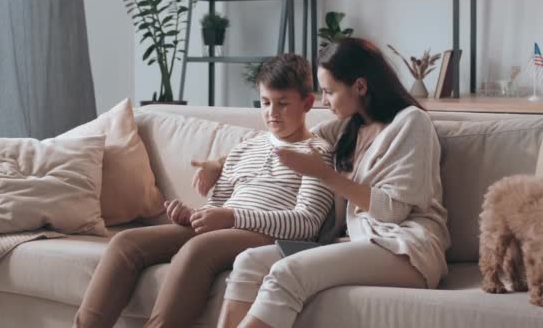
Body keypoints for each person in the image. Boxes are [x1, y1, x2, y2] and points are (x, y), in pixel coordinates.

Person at [193, 38, 451, 328]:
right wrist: (219, 162)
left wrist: (325, 174)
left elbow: (394, 211)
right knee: (249, 261)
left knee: (288, 272)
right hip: (357, 241)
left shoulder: (411, 123)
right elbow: (284, 143)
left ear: (360, 87)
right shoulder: (343, 129)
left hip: (406, 247)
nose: (324, 101)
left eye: (329, 91)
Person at [73, 54, 335, 328]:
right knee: (126, 244)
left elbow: (308, 223)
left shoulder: (317, 152)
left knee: (198, 248)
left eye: (283, 104)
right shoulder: (245, 148)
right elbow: (218, 206)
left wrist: (231, 218)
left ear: (306, 103)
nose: (271, 113)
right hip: (227, 228)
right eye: (266, 102)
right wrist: (194, 216)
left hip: (272, 236)